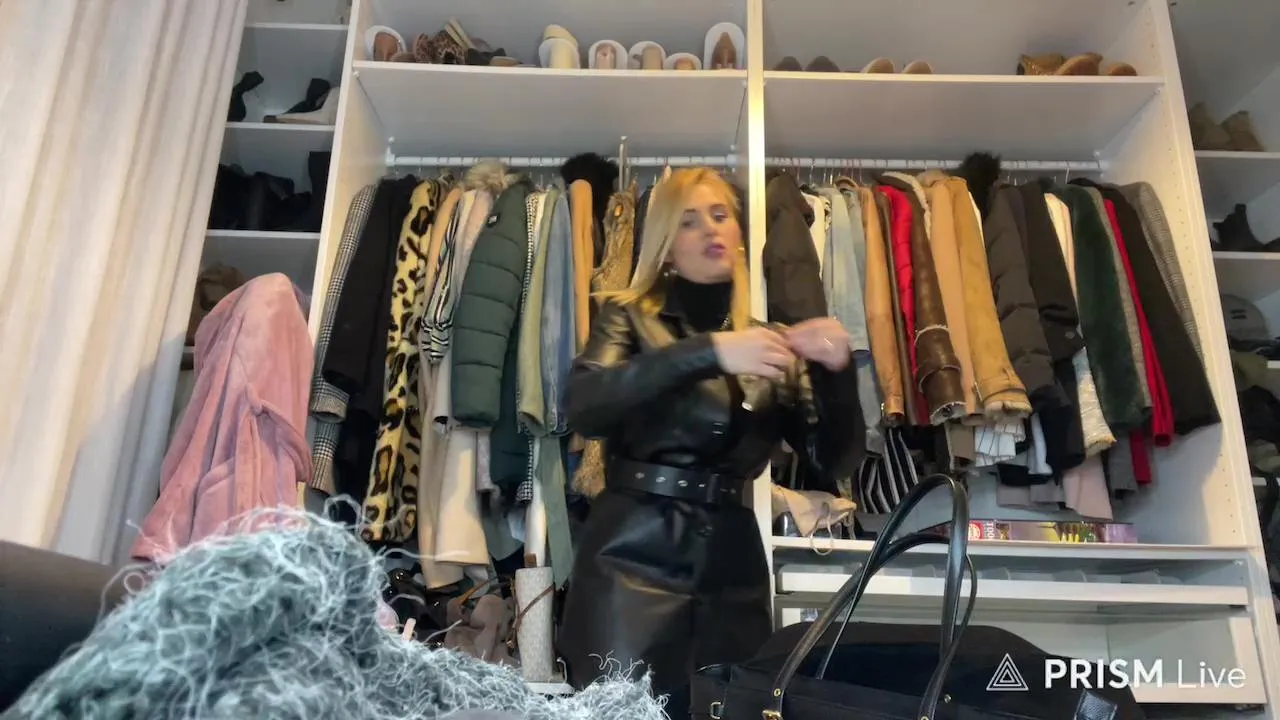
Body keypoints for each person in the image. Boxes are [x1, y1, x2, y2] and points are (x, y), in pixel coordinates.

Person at [558, 167, 862, 717]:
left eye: (720, 215)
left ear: (740, 233)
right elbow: (586, 404)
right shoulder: (628, 317)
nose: (709, 230)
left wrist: (837, 373)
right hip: (631, 565)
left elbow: (833, 458)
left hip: (731, 570)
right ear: (666, 246)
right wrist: (710, 352)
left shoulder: (768, 343)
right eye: (688, 221)